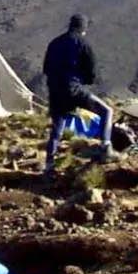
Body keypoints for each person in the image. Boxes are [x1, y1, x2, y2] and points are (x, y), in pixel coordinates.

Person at [43, 14, 112, 174]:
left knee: (57, 128)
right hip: (74, 89)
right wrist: (85, 81)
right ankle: (105, 147)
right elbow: (92, 71)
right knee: (106, 111)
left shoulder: (54, 43)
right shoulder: (83, 44)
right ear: (84, 28)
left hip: (55, 91)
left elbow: (46, 68)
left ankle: (49, 164)